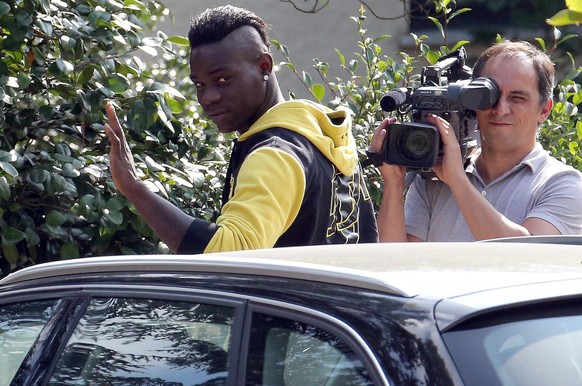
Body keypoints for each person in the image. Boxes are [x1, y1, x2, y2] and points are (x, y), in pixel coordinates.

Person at [104, 5, 378, 253]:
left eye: (223, 79)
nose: (207, 97)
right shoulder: (320, 137)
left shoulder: (274, 156)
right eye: (199, 84)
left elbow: (226, 255)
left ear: (264, 66)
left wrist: (133, 187)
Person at [370, 40, 582, 242]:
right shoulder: (435, 179)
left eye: (517, 98)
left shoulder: (563, 184)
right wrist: (394, 184)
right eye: (489, 96)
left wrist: (457, 181)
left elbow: (524, 255)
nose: (501, 109)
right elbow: (397, 261)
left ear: (544, 110)